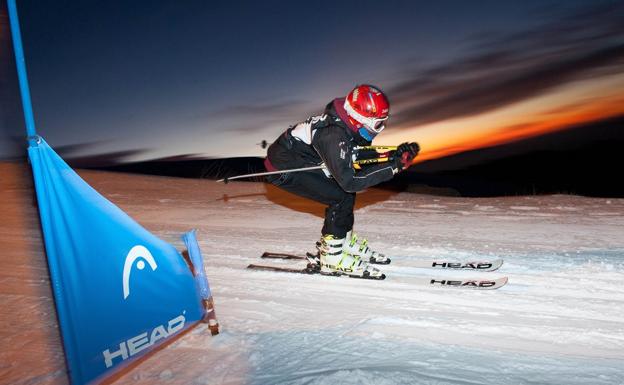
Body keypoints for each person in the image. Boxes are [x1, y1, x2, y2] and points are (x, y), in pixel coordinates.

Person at [264, 85, 419, 278]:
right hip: (284, 168)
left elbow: (353, 154)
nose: (381, 129)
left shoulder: (346, 125)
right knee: (340, 196)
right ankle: (332, 256)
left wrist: (392, 156)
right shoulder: (333, 135)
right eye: (379, 124)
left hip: (301, 159)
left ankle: (341, 241)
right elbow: (350, 180)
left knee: (345, 194)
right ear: (360, 119)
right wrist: (394, 166)